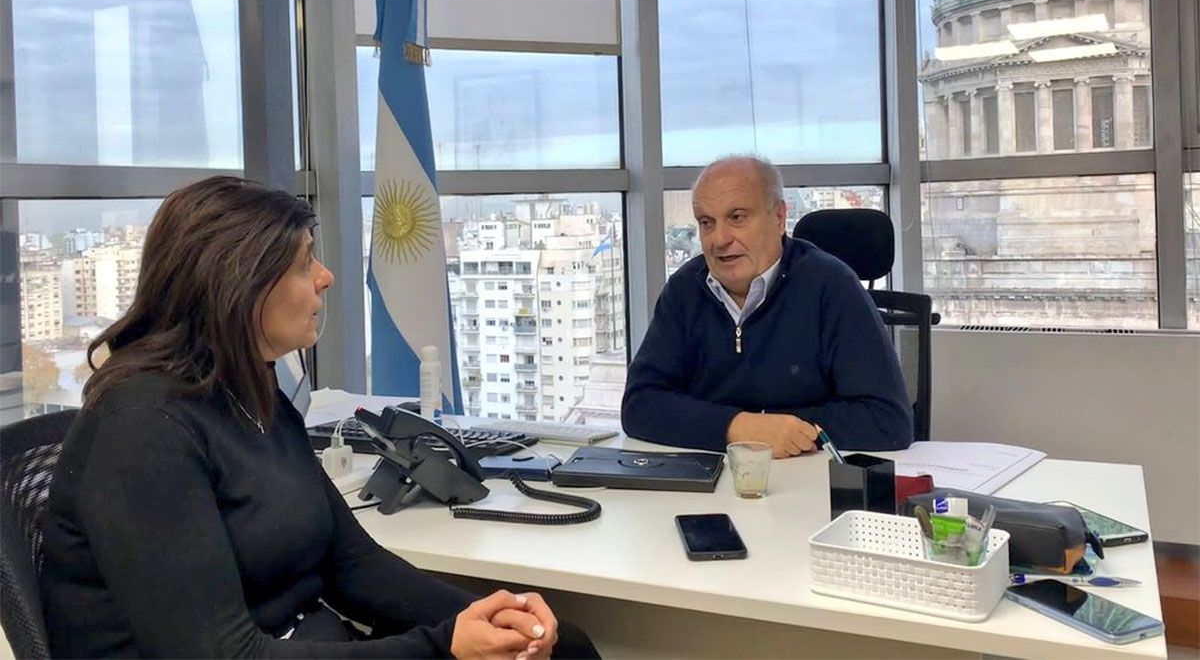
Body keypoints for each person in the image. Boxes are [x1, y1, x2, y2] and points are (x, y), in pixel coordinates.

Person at [38, 176, 599, 659]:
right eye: (305, 261)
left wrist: (494, 617)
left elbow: (351, 562)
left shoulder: (249, 389)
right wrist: (443, 646)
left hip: (306, 639)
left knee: (565, 646)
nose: (326, 276)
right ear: (240, 285)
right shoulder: (142, 426)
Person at [621, 156, 913, 458]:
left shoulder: (832, 287)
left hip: (807, 480)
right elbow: (639, 404)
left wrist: (785, 430)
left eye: (737, 217)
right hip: (713, 476)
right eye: (707, 223)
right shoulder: (685, 289)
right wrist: (739, 428)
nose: (719, 239)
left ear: (778, 218)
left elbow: (887, 420)